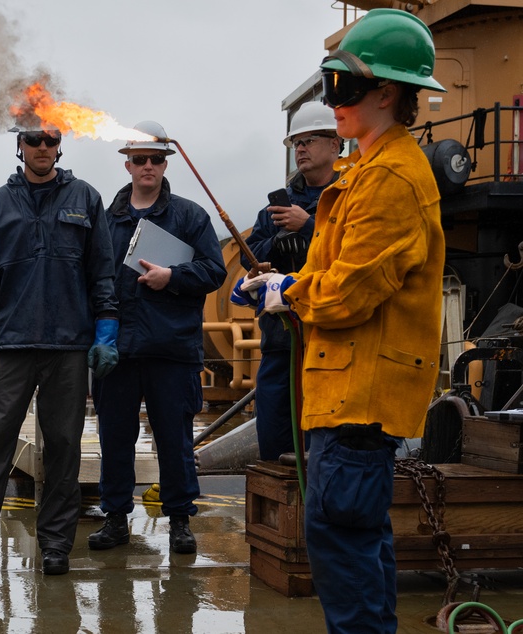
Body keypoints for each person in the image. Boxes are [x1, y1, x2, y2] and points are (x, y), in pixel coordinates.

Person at [231, 9, 446, 632]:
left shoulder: (391, 180)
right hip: (343, 388)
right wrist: (278, 282)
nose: (333, 102)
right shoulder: (367, 175)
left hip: (361, 395)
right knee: (356, 534)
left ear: (386, 93)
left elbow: (351, 292)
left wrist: (287, 294)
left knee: (341, 539)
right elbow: (334, 267)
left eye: (343, 88)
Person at [0, 124, 119, 577]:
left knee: (63, 446)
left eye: (50, 140)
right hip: (9, 344)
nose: (43, 147)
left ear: (61, 145)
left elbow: (102, 272)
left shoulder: (86, 199)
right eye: (33, 140)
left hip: (68, 345)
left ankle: (56, 546)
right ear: (18, 145)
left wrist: (106, 330)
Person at [87, 121, 227, 555]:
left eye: (156, 159)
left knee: (175, 438)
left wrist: (173, 277)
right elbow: (89, 277)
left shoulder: (189, 216)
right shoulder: (105, 221)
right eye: (139, 159)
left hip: (172, 350)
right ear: (127, 163)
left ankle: (180, 520)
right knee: (114, 437)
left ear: (166, 163)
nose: (148, 166)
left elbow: (215, 270)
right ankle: (115, 519)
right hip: (119, 351)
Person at [241, 102, 340, 461]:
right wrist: (275, 245)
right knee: (274, 436)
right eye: (296, 142)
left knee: (323, 444)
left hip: (331, 341)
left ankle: (316, 514)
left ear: (335, 144)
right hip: (281, 338)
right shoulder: (277, 207)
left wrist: (309, 227)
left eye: (309, 140)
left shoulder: (350, 196)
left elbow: (356, 248)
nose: (300, 148)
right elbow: (247, 254)